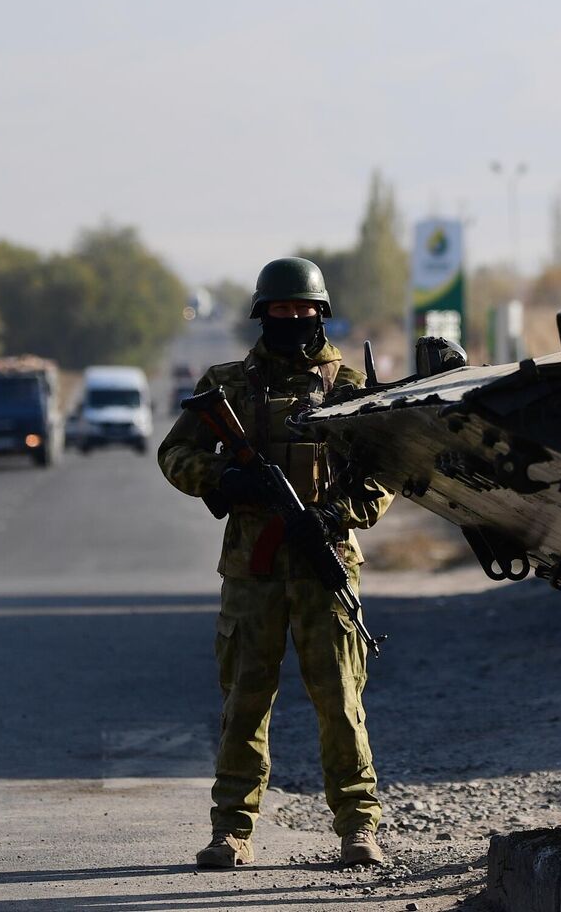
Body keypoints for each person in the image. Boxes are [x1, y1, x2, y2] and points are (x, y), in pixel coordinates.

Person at [157, 256, 393, 868]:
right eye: (282, 310)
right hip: (252, 570)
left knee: (341, 699)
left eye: (304, 310)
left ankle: (358, 827)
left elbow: (386, 471)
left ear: (322, 315)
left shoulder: (348, 390)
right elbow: (175, 452)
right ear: (264, 314)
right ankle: (231, 830)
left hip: (324, 563)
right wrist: (226, 479)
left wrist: (339, 513)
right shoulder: (228, 384)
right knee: (244, 701)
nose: (293, 319)